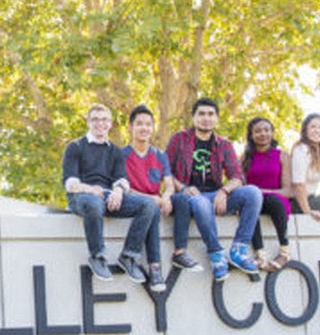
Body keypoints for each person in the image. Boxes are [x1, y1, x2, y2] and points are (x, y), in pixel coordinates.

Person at [62, 104, 166, 292]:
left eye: (104, 120)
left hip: (107, 196)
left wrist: (118, 191)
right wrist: (90, 189)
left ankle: (129, 255)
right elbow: (70, 183)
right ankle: (98, 256)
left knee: (149, 205)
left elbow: (121, 180)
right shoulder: (75, 147)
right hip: (81, 197)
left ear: (110, 124)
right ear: (88, 122)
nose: (100, 124)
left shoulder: (115, 151)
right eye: (95, 119)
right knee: (94, 204)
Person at [165, 97, 262, 281]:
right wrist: (183, 187)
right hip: (188, 197)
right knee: (200, 201)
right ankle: (216, 255)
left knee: (253, 193)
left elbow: (238, 177)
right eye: (201, 114)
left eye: (210, 114)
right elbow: (165, 170)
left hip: (215, 195)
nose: (206, 118)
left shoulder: (224, 144)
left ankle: (239, 250)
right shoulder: (180, 139)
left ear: (217, 119)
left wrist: (224, 191)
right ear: (193, 117)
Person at [122, 104, 201, 274]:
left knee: (183, 199)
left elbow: (169, 183)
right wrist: (153, 199)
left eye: (148, 124)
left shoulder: (159, 156)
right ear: (130, 127)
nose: (144, 128)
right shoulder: (122, 155)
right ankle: (155, 267)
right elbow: (124, 188)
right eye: (139, 124)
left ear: (153, 127)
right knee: (152, 209)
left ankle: (180, 252)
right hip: (136, 202)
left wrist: (166, 196)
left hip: (157, 200)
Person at [240, 117, 292, 272]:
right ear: (251, 135)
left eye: (266, 130)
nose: (262, 134)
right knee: (250, 205)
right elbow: (240, 186)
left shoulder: (282, 155)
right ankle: (260, 253)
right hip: (254, 201)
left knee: (273, 201)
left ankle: (285, 251)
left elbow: (288, 191)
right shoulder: (244, 158)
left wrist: (263, 192)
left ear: (272, 133)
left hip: (276, 202)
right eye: (257, 131)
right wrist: (255, 194)